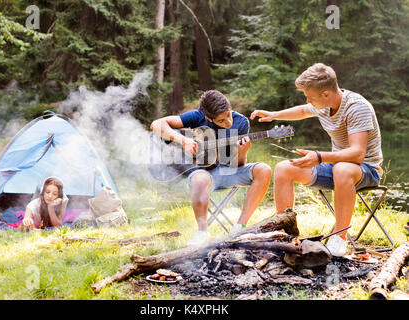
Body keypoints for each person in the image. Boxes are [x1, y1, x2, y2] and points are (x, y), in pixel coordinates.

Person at [250, 63, 383, 256]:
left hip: (365, 169)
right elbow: (303, 110)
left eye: (310, 96)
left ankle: (339, 238)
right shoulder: (323, 104)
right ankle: (285, 234)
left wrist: (320, 157)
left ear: (326, 94)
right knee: (283, 168)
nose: (308, 100)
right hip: (336, 166)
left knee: (342, 169)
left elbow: (357, 154)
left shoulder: (357, 107)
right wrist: (275, 115)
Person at [151, 90, 272, 246]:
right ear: (208, 117)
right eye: (221, 121)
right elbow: (157, 124)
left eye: (228, 115)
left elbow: (238, 165)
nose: (228, 122)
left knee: (264, 169)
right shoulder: (198, 117)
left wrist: (243, 152)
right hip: (201, 173)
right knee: (200, 178)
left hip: (228, 171)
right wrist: (183, 141)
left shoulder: (241, 122)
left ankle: (239, 227)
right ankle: (202, 232)